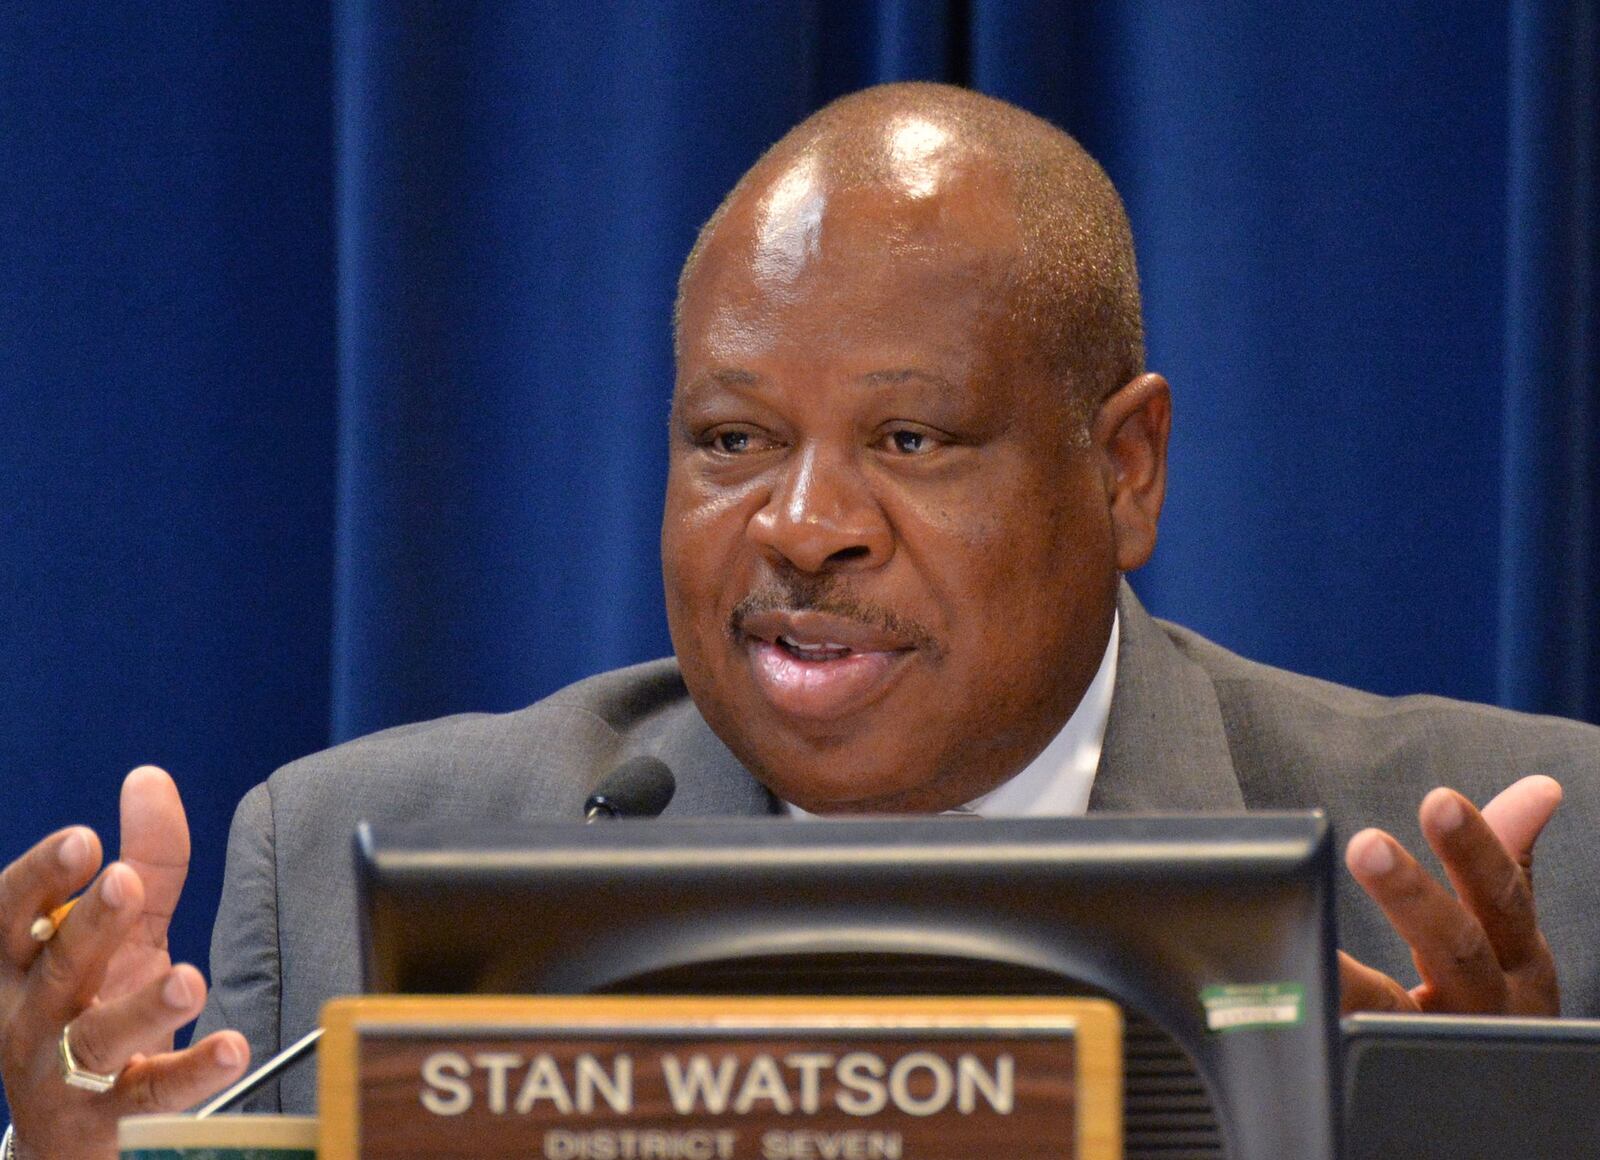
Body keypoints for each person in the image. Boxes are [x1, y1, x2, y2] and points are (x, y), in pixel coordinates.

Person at [0, 82, 1594, 1157]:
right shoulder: (351, 863)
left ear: (1124, 471)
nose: (802, 526)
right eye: (732, 441)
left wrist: (1499, 1128)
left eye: (910, 441)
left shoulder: (1526, 884)